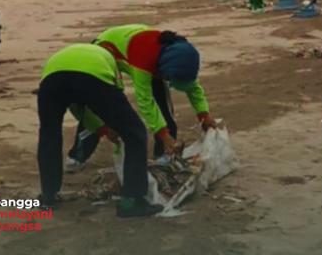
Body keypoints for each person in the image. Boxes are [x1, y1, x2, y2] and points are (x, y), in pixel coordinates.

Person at [66, 24, 217, 171]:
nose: (168, 82)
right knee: (101, 108)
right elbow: (145, 102)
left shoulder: (181, 59)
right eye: (168, 78)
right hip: (106, 52)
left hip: (146, 52)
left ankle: (164, 155)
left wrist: (204, 115)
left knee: (165, 109)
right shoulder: (143, 60)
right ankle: (77, 156)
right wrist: (163, 134)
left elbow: (193, 87)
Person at [36, 43, 162, 218]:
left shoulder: (70, 53)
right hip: (92, 78)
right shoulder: (108, 59)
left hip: (51, 81)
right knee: (135, 133)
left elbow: (77, 108)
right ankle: (131, 202)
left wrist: (102, 128)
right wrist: (114, 126)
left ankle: (48, 196)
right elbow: (117, 96)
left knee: (49, 134)